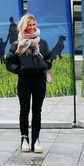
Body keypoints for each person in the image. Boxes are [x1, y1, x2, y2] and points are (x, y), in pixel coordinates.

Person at [5, 14, 52, 154]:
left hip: (39, 80)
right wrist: (20, 68)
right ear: (24, 26)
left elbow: (49, 58)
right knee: (24, 110)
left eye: (34, 24)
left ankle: (36, 140)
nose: (32, 27)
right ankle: (24, 139)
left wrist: (45, 65)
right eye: (29, 25)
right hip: (24, 80)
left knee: (37, 111)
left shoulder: (42, 43)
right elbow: (8, 63)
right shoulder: (17, 44)